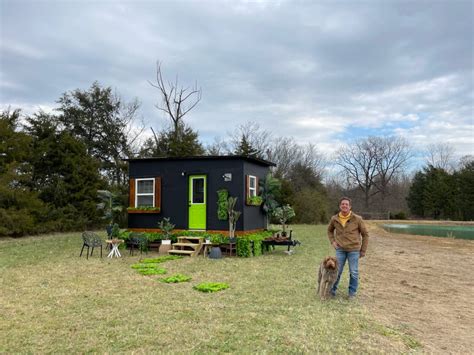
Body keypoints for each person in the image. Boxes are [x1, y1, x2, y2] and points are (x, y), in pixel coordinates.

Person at [327, 197, 369, 299]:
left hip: (354, 250)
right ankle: (332, 291)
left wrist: (363, 250)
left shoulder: (357, 219)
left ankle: (352, 293)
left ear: (350, 206)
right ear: (340, 206)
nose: (344, 206)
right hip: (340, 249)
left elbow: (365, 235)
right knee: (336, 271)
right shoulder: (334, 219)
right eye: (342, 204)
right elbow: (329, 231)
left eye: (346, 204)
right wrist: (333, 241)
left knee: (353, 272)